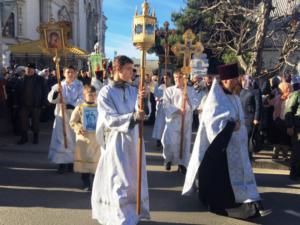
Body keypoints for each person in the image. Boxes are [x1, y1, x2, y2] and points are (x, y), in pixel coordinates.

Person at [183, 63, 271, 219]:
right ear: (224, 81)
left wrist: (239, 127)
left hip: (235, 148)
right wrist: (232, 126)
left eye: (237, 79)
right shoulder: (215, 99)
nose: (237, 82)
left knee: (241, 177)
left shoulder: (234, 96)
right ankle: (242, 207)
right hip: (218, 152)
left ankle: (252, 203)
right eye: (234, 79)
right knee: (223, 185)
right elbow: (213, 126)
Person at [91, 55, 150, 225]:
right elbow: (109, 118)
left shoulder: (133, 90)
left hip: (135, 141)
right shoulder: (105, 93)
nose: (132, 72)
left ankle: (133, 213)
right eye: (128, 69)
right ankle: (119, 216)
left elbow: (145, 113)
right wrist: (133, 116)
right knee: (119, 180)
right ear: (117, 69)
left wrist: (144, 101)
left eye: (132, 69)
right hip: (116, 142)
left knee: (133, 180)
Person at [161, 70, 200, 173]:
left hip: (186, 121)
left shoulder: (190, 90)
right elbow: (165, 105)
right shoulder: (169, 90)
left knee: (185, 143)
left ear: (184, 78)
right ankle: (168, 160)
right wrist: (178, 111)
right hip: (173, 121)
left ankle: (182, 164)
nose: (177, 79)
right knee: (170, 143)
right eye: (175, 78)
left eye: (179, 77)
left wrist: (187, 100)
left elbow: (196, 103)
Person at [48, 66, 84, 174]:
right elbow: (50, 99)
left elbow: (82, 98)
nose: (70, 74)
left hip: (74, 116)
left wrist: (70, 105)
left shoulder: (79, 85)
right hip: (61, 116)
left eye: (72, 72)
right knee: (61, 140)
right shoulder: (59, 85)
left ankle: (72, 163)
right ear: (64, 73)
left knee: (73, 139)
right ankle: (62, 164)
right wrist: (56, 93)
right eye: (68, 72)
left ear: (76, 73)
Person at [69, 85, 100, 191]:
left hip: (96, 139)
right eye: (89, 95)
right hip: (84, 139)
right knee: (85, 161)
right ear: (84, 95)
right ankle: (86, 182)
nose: (91, 97)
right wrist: (79, 128)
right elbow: (73, 122)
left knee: (96, 161)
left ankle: (96, 182)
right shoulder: (80, 107)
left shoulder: (99, 107)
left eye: (93, 95)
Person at [17, 63, 48, 144]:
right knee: (23, 122)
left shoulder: (40, 79)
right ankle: (24, 137)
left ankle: (35, 137)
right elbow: (17, 92)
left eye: (30, 69)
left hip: (36, 104)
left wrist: (44, 103)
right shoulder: (22, 79)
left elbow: (45, 92)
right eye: (27, 69)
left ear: (34, 70)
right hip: (24, 105)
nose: (29, 70)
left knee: (35, 122)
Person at [240, 75, 262, 160]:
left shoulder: (256, 91)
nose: (242, 82)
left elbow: (258, 106)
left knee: (248, 137)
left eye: (244, 80)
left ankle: (248, 156)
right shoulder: (242, 91)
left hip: (250, 118)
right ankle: (244, 156)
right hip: (242, 117)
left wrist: (256, 118)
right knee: (243, 138)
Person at [152, 74, 172, 147]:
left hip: (170, 108)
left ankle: (167, 141)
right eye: (164, 78)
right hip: (161, 108)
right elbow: (156, 96)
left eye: (167, 78)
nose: (165, 80)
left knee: (168, 125)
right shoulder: (160, 87)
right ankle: (159, 140)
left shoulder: (173, 87)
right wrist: (160, 98)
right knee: (160, 124)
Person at [285, 86, 300, 180]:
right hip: (298, 128)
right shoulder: (297, 94)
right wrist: (289, 126)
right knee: (297, 152)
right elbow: (289, 110)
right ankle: (294, 173)